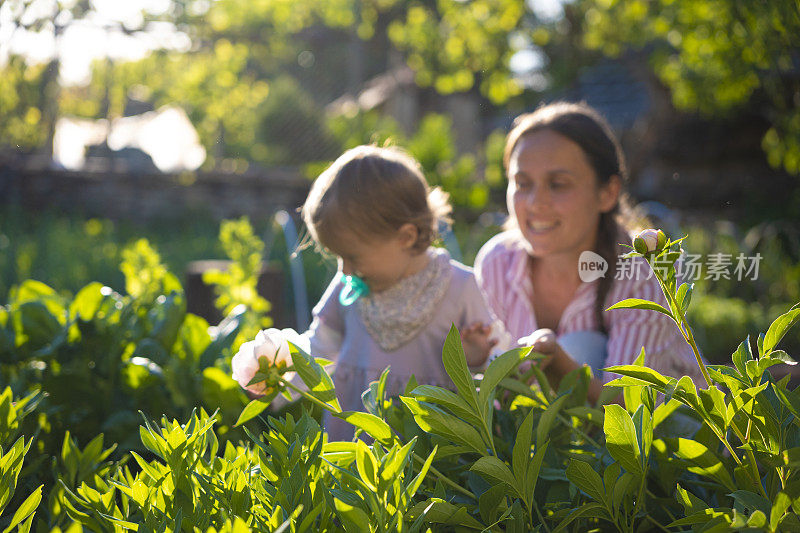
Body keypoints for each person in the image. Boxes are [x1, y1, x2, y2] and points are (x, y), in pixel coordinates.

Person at [236, 145, 498, 441]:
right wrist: (277, 375)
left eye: (353, 257)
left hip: (432, 449)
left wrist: (477, 360)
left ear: (406, 237)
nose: (345, 270)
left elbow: (500, 365)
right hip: (355, 445)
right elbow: (320, 348)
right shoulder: (349, 287)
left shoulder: (460, 287)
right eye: (338, 257)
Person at [474, 102, 705, 404]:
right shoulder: (497, 262)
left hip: (673, 432)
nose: (535, 202)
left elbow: (631, 410)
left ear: (607, 193)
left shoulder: (641, 268)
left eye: (558, 184)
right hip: (554, 435)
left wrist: (558, 365)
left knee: (581, 347)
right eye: (522, 183)